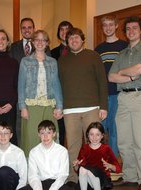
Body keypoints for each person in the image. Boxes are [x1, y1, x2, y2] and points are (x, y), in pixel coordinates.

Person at [108, 16, 141, 190]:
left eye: (135, 28)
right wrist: (128, 74)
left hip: (140, 96)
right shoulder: (121, 53)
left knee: (140, 141)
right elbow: (111, 76)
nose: (131, 31)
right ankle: (130, 176)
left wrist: (122, 73)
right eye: (128, 29)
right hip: (123, 98)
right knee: (124, 141)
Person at [58, 27, 108, 184]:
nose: (74, 40)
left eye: (76, 37)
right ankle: (73, 178)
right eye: (70, 38)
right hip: (70, 110)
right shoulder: (62, 60)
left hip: (91, 108)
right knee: (73, 146)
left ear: (82, 39)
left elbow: (102, 81)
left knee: (94, 145)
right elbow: (58, 85)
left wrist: (103, 106)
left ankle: (95, 177)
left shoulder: (93, 56)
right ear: (67, 42)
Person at [18, 30, 63, 157]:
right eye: (37, 39)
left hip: (49, 104)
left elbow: (56, 84)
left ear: (47, 43)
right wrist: (22, 107)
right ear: (32, 42)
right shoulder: (25, 61)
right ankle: (31, 172)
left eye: (43, 40)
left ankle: (50, 171)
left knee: (49, 137)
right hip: (31, 105)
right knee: (32, 138)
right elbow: (21, 86)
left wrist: (59, 106)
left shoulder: (53, 62)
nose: (40, 42)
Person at [9, 17, 51, 146]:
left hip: (37, 97)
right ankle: (22, 154)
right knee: (19, 126)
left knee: (37, 127)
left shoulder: (42, 46)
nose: (27, 30)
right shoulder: (13, 47)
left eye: (29, 27)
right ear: (21, 30)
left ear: (33, 29)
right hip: (18, 92)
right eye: (24, 27)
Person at [94, 15, 128, 157]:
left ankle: (112, 160)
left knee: (115, 129)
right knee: (101, 129)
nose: (107, 28)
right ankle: (100, 160)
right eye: (105, 25)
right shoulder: (98, 49)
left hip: (118, 93)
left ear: (116, 26)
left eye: (110, 24)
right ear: (102, 28)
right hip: (102, 95)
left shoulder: (124, 46)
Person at [21, 120, 70, 190]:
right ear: (38, 134)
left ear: (54, 134)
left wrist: (53, 188)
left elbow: (63, 175)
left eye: (49, 133)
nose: (45, 136)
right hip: (40, 183)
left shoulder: (62, 151)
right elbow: (33, 176)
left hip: (57, 183)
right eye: (42, 133)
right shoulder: (33, 152)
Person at [73, 122, 121, 190]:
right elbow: (78, 170)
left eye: (97, 134)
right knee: (83, 169)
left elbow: (118, 169)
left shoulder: (106, 148)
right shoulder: (84, 148)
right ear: (88, 135)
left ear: (102, 136)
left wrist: (110, 166)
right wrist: (76, 165)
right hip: (87, 181)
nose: (94, 137)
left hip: (102, 180)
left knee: (89, 171)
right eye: (91, 134)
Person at [51, 20, 73, 146]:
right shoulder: (51, 52)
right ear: (58, 33)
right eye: (62, 29)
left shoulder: (77, 51)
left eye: (67, 29)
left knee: (73, 132)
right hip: (56, 97)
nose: (64, 32)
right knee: (59, 130)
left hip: (72, 96)